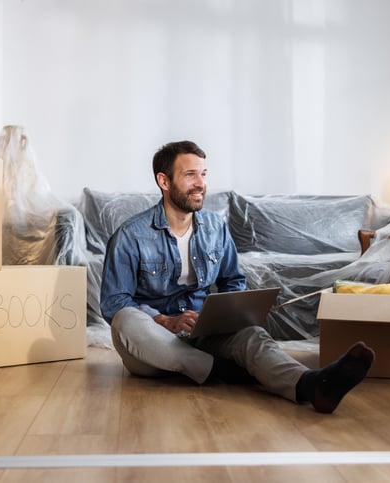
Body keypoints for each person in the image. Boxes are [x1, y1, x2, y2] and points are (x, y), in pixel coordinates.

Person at [100, 140, 375, 413]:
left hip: (202, 334)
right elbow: (114, 303)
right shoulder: (131, 235)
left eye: (203, 174)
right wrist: (166, 320)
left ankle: (310, 384)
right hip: (154, 347)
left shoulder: (214, 227)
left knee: (252, 334)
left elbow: (233, 281)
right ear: (164, 181)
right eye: (190, 175)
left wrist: (228, 315)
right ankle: (226, 371)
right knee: (126, 321)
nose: (200, 183)